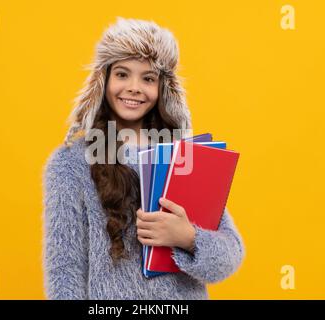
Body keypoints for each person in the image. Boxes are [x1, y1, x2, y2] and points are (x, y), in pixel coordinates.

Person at [42, 17, 245, 300]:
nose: (134, 87)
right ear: (103, 80)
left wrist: (187, 237)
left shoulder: (183, 158)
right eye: (123, 74)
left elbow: (230, 255)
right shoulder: (70, 165)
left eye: (148, 78)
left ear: (163, 89)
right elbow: (65, 272)